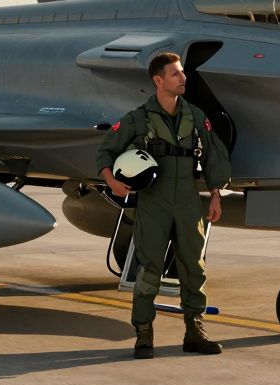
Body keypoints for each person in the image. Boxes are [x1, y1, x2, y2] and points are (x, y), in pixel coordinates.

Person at [96, 52, 232, 359]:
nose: (183, 78)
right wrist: (112, 181)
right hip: (154, 200)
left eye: (182, 72)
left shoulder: (196, 116)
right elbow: (106, 151)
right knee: (150, 269)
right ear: (158, 80)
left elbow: (214, 155)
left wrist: (215, 194)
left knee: (193, 266)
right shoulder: (138, 118)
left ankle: (195, 332)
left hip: (187, 196)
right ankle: (143, 334)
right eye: (175, 74)